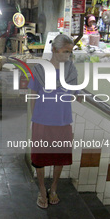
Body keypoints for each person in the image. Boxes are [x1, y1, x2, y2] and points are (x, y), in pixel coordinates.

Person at [28, 34, 77, 209]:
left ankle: (54, 187)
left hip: (63, 121)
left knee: (60, 157)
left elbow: (73, 93)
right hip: (42, 121)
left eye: (70, 52)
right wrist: (37, 119)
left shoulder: (70, 69)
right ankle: (42, 189)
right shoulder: (40, 69)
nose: (68, 56)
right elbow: (33, 96)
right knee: (40, 158)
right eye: (65, 52)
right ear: (55, 50)